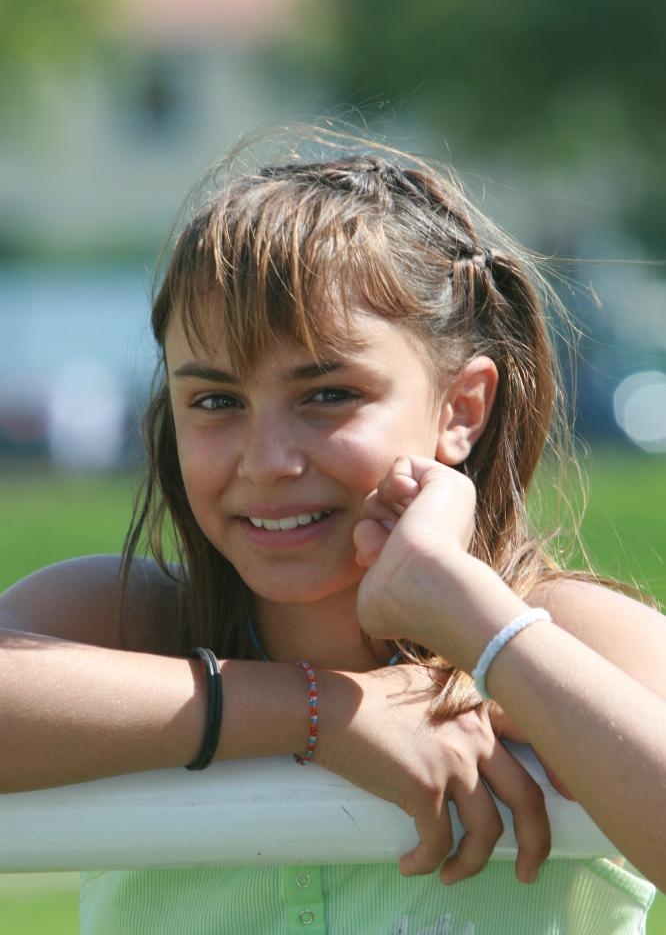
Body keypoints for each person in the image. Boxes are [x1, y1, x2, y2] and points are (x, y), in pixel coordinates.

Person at [1, 131, 663, 933]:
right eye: (215, 402)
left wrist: (470, 618)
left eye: (327, 396)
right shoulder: (129, 625)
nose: (267, 461)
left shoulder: (563, 638)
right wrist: (323, 716)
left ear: (461, 409)